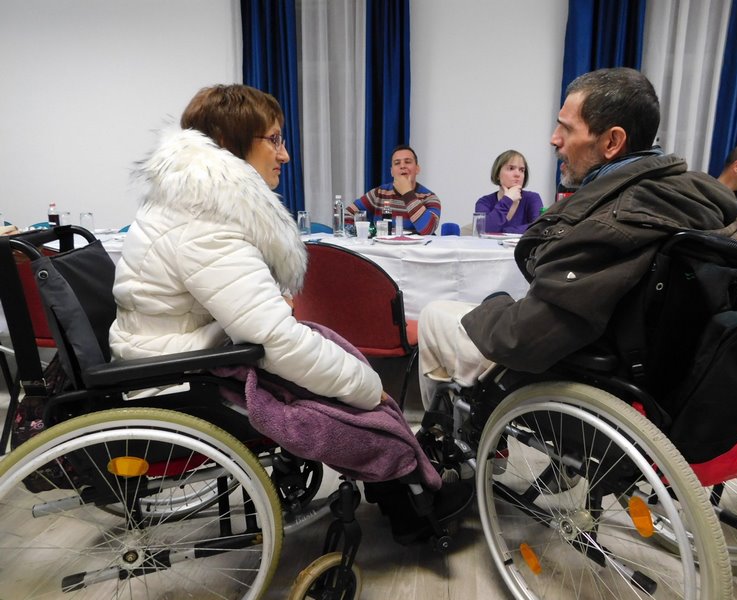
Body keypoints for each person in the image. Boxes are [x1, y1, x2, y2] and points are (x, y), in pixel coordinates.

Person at [110, 84, 470, 543]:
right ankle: (411, 506)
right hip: (175, 373)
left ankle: (400, 489)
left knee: (326, 350)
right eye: (275, 139)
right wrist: (366, 387)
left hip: (174, 350)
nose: (284, 155)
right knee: (342, 393)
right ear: (233, 143)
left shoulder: (188, 202)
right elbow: (275, 341)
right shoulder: (204, 221)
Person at [417, 67, 737, 407]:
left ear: (612, 141)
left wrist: (494, 303)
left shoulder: (611, 220)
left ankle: (443, 429)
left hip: (584, 370)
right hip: (672, 377)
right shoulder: (702, 200)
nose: (554, 139)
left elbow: (522, 338)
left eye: (566, 128)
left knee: (434, 314)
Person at [346, 145, 441, 235]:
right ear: (392, 171)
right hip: (382, 246)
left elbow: (428, 229)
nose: (402, 166)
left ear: (417, 169)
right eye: (397, 163)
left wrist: (407, 193)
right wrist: (363, 232)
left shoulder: (429, 197)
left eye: (407, 162)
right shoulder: (378, 194)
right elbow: (347, 214)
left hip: (416, 247)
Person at [475, 150, 543, 233]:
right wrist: (507, 199)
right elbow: (484, 230)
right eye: (511, 168)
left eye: (521, 170)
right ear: (497, 174)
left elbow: (539, 228)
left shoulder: (532, 198)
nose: (517, 174)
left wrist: (503, 231)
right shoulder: (484, 202)